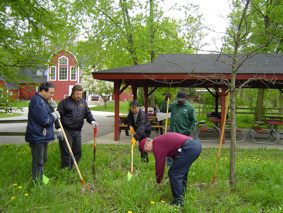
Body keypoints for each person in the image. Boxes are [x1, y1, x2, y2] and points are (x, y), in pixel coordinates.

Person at [139, 133, 202, 206]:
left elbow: (160, 165)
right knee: (181, 172)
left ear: (148, 143)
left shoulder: (157, 145)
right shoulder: (159, 141)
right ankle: (183, 194)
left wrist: (158, 181)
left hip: (189, 148)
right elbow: (175, 154)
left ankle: (178, 202)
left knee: (174, 174)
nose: (149, 153)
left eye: (147, 151)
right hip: (194, 145)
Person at [55, 85, 98, 170]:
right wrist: (58, 128)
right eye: (77, 94)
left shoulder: (83, 102)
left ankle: (74, 170)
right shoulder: (64, 103)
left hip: (77, 131)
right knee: (67, 152)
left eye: (80, 94)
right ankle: (66, 171)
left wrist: (92, 121)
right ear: (72, 93)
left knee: (77, 152)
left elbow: (87, 114)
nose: (79, 96)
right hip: (66, 131)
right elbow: (57, 117)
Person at [25, 82, 60, 184]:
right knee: (38, 161)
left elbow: (47, 115)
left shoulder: (44, 101)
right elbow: (45, 120)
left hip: (43, 136)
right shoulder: (37, 101)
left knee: (43, 160)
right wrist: (54, 115)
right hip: (37, 136)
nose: (52, 95)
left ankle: (41, 178)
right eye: (51, 93)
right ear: (43, 91)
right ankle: (38, 183)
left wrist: (51, 108)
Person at [161, 90, 198, 167]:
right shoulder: (174, 105)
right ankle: (169, 165)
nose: (179, 102)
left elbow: (194, 121)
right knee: (170, 149)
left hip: (183, 133)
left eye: (181, 100)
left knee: (182, 151)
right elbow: (164, 109)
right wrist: (165, 100)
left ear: (186, 98)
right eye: (178, 100)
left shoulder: (190, 108)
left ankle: (181, 165)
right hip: (173, 132)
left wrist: (189, 131)